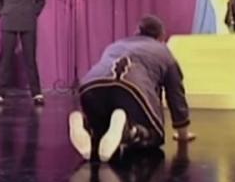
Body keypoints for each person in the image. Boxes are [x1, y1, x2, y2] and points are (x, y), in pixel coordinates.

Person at [68, 15, 196, 162]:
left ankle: (86, 124)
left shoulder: (115, 45)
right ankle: (129, 130)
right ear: (161, 36)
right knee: (155, 136)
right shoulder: (164, 51)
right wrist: (182, 133)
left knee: (103, 129)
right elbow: (176, 95)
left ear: (137, 31)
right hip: (132, 87)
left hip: (91, 86)